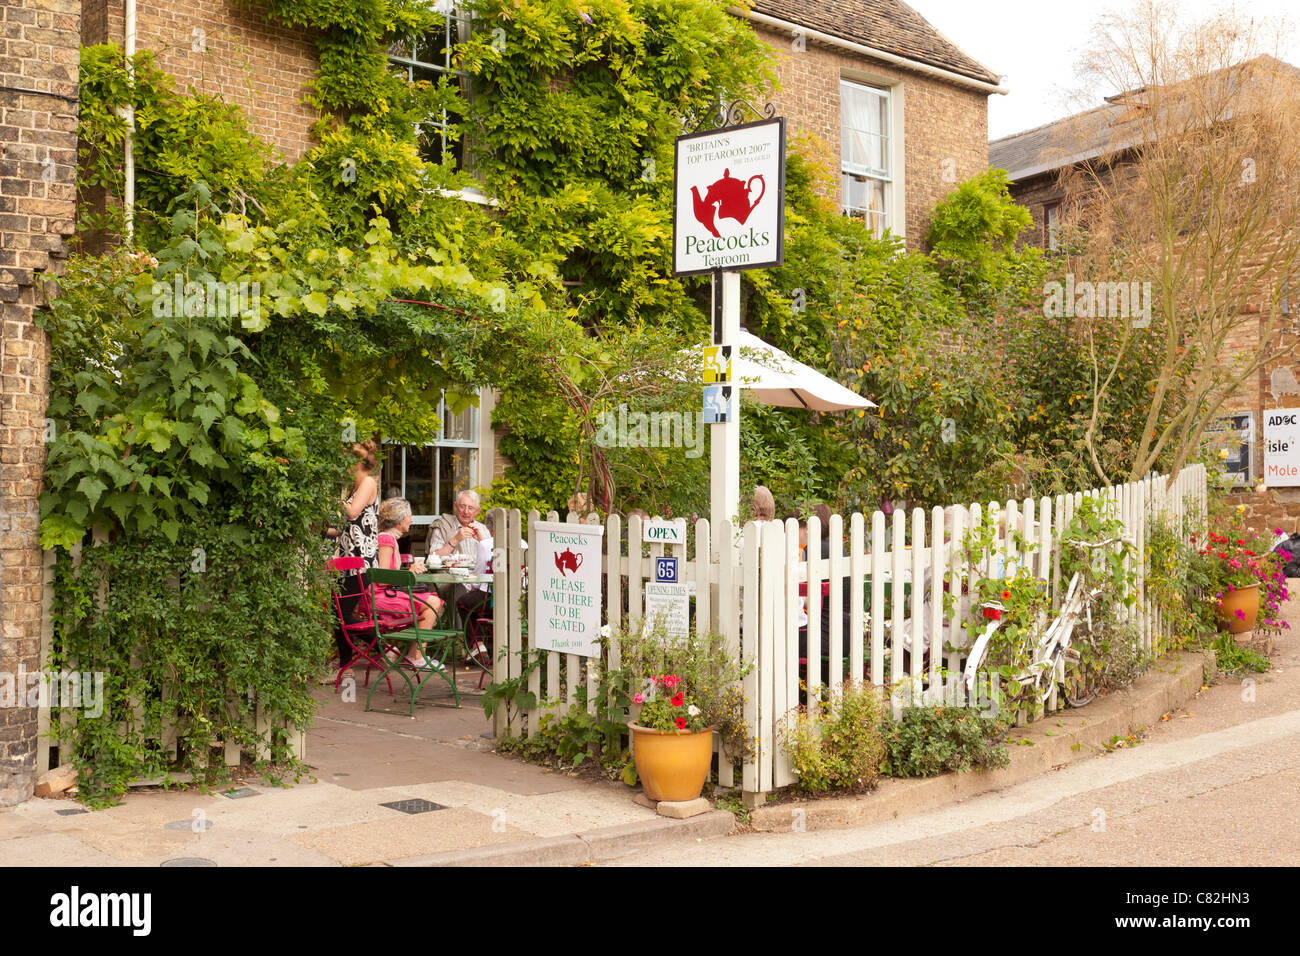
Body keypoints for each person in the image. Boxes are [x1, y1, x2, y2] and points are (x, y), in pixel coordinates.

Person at [325, 440, 380, 683]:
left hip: (363, 562)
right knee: (337, 615)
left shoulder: (368, 483)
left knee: (343, 614)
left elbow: (351, 513)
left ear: (356, 464)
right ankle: (345, 667)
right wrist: (321, 530)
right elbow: (345, 528)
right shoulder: (353, 490)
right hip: (347, 562)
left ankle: (382, 642)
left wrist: (329, 498)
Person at [374, 498, 445, 670]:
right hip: (378, 597)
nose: (412, 520)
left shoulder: (390, 539)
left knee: (432, 600)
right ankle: (417, 656)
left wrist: (409, 571)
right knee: (432, 602)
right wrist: (409, 572)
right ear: (399, 520)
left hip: (384, 594)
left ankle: (414, 655)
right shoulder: (386, 539)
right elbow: (382, 577)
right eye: (409, 516)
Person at [426, 489, 492, 664]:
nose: (466, 511)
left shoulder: (482, 529)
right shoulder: (443, 526)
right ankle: (469, 644)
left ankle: (480, 645)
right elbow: (433, 557)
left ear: (477, 511)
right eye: (462, 506)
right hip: (452, 580)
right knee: (461, 591)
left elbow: (493, 559)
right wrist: (455, 539)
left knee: (487, 595)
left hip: (479, 583)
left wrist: (482, 541)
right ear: (455, 507)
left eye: (471, 508)